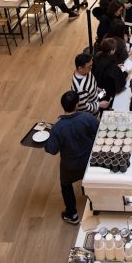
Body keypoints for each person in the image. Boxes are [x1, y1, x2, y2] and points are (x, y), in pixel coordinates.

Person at [44, 90, 99, 225]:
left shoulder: (57, 128)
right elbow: (99, 132)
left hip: (70, 166)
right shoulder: (87, 118)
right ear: (77, 104)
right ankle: (98, 204)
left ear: (63, 105)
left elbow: (52, 150)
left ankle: (72, 214)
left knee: (65, 185)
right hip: (90, 161)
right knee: (93, 180)